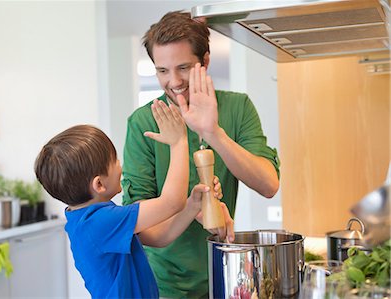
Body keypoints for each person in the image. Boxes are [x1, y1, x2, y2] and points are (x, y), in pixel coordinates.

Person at [121, 11, 280, 298]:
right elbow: (140, 226)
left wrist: (213, 132)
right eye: (162, 71)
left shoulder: (237, 108)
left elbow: (268, 184)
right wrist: (193, 207)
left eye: (183, 67)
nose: (174, 81)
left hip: (227, 274)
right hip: (163, 285)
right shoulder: (143, 123)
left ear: (205, 61)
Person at [34, 100, 226, 298]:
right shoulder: (100, 222)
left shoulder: (92, 219)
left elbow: (159, 237)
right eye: (114, 161)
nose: (120, 164)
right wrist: (178, 143)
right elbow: (171, 202)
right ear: (99, 184)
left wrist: (192, 206)